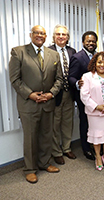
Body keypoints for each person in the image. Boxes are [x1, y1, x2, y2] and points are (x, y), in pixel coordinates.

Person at [9, 25, 63, 183]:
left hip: (48, 102)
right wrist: (31, 95)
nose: (40, 35)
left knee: (47, 135)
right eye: (37, 33)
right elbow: (15, 79)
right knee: (31, 138)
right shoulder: (18, 52)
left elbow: (59, 79)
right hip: (28, 104)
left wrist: (51, 93)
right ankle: (30, 169)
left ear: (46, 36)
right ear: (31, 34)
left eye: (43, 33)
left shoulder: (53, 54)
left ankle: (45, 163)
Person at [49, 24, 77, 165]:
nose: (61, 37)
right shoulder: (47, 51)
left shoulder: (72, 51)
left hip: (69, 93)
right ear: (54, 37)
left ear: (68, 37)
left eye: (64, 34)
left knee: (68, 122)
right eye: (58, 34)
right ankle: (56, 151)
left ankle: (66, 148)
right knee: (55, 124)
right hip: (55, 94)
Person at [68, 31, 98, 160]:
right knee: (85, 122)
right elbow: (71, 77)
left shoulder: (98, 56)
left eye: (93, 41)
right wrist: (77, 83)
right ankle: (86, 149)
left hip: (97, 96)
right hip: (83, 97)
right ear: (83, 42)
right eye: (88, 41)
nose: (91, 43)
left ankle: (94, 145)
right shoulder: (77, 57)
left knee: (95, 122)